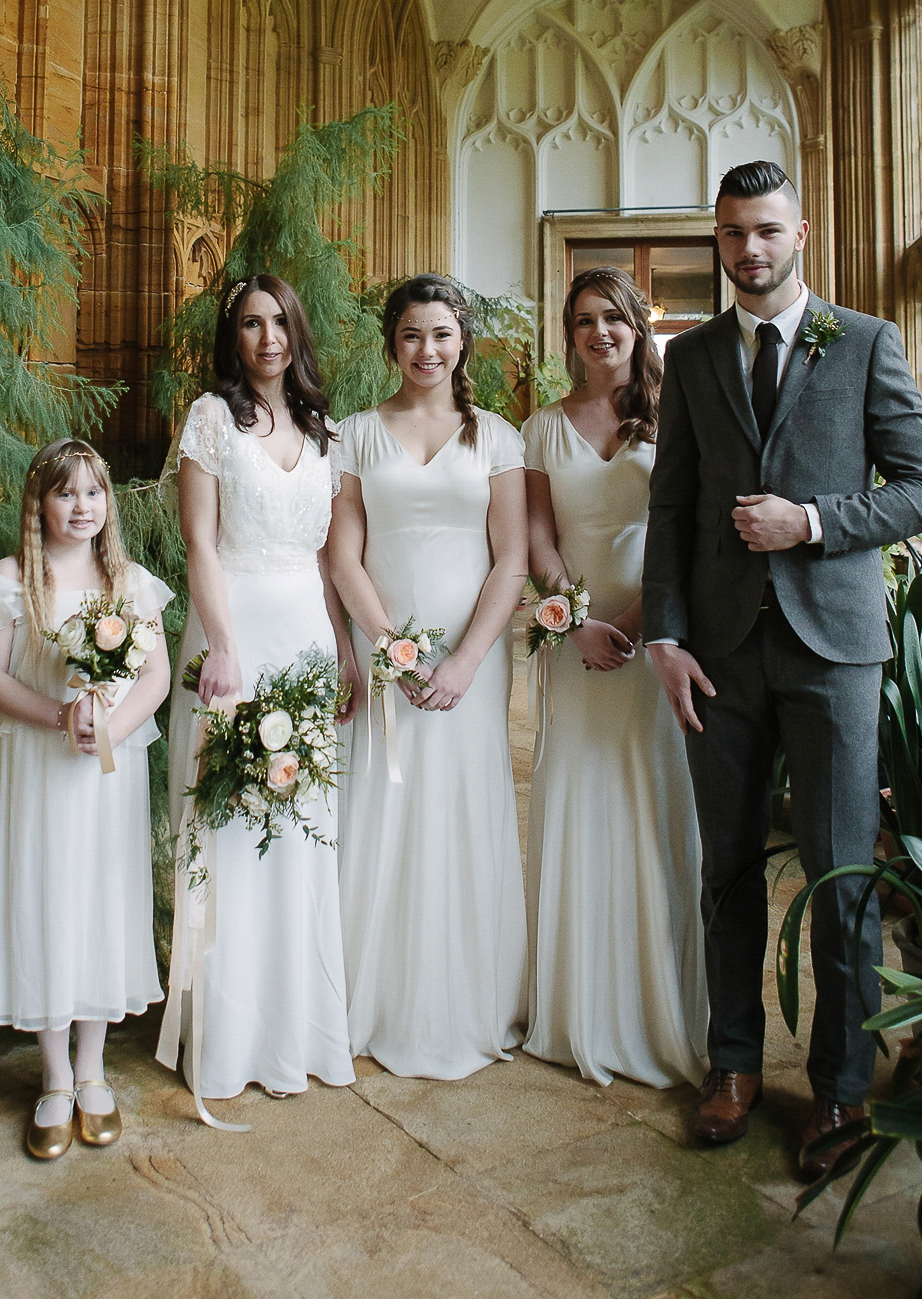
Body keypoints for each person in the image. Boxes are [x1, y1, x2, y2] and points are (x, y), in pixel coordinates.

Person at [643, 160, 922, 1177]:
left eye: (767, 231)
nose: (750, 251)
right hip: (720, 656)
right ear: (719, 243)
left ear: (801, 232)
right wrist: (668, 637)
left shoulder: (865, 342)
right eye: (733, 235)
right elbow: (674, 511)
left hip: (834, 655)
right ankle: (733, 1067)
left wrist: (811, 521)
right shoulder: (688, 362)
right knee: (727, 871)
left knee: (842, 880)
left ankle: (841, 1089)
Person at [156, 275, 356, 1114]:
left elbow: (324, 558)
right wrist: (224, 649)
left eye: (279, 322)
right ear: (232, 336)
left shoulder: (323, 429)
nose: (267, 337)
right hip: (235, 636)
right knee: (230, 826)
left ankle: (296, 1026)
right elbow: (198, 544)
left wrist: (344, 643)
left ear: (296, 333)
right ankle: (227, 1034)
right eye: (250, 324)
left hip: (307, 638)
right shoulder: (210, 418)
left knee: (297, 831)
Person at [329, 273, 529, 1079]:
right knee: (382, 804)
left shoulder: (499, 439)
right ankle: (368, 995)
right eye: (412, 335)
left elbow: (511, 556)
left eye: (441, 334)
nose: (427, 350)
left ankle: (471, 996)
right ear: (392, 343)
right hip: (385, 654)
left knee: (461, 807)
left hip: (471, 661)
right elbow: (342, 553)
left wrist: (465, 662)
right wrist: (390, 648)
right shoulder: (353, 435)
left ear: (462, 342)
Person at [0, 439, 173, 1160]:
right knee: (44, 897)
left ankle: (92, 1070)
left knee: (99, 898)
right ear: (39, 503)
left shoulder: (130, 582)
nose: (82, 507)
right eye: (65, 494)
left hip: (106, 769)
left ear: (108, 502)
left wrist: (108, 724)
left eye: (93, 493)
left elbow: (157, 679)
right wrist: (60, 716)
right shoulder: (10, 581)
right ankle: (52, 1077)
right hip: (37, 765)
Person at [523, 267, 707, 1088]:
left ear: (639, 326)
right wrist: (574, 620)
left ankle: (656, 1004)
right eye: (585, 320)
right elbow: (535, 539)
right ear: (570, 336)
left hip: (654, 644)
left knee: (650, 804)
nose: (600, 332)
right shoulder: (539, 428)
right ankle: (576, 1007)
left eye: (615, 318)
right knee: (574, 797)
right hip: (577, 645)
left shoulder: (677, 417)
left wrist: (631, 629)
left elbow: (692, 537)